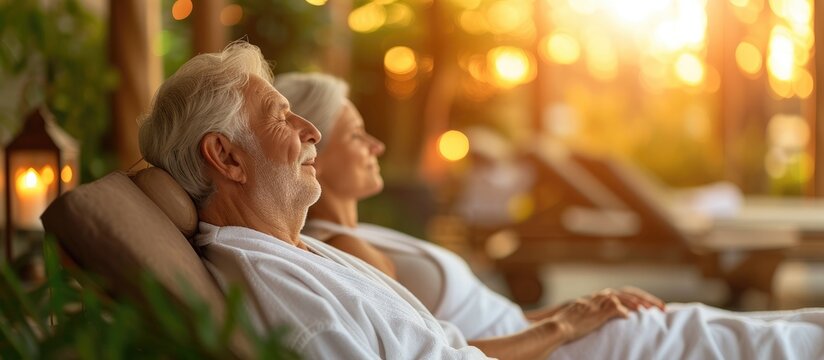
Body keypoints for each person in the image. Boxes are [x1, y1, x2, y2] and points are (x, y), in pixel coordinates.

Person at [137, 41, 638, 359]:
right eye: (279, 117)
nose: (311, 132)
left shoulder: (294, 252)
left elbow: (446, 345)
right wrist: (561, 327)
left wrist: (562, 321)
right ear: (226, 157)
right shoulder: (274, 286)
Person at [274, 71, 824, 358]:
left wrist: (573, 308)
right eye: (354, 134)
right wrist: (566, 323)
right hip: (566, 351)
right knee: (776, 343)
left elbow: (465, 331)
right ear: (314, 145)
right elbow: (441, 355)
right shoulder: (343, 249)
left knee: (783, 330)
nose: (375, 143)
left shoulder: (356, 234)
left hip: (565, 339)